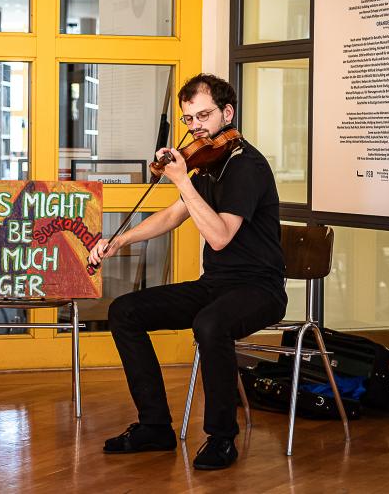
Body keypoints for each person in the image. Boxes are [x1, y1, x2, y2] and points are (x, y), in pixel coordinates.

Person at [88, 73, 285, 471]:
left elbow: (220, 237)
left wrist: (182, 181)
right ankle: (155, 425)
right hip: (216, 285)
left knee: (210, 324)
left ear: (227, 113)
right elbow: (173, 215)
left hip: (260, 289)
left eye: (204, 116)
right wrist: (118, 241)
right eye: (189, 119)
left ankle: (221, 437)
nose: (195, 127)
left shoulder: (247, 166)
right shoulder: (208, 163)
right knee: (124, 311)